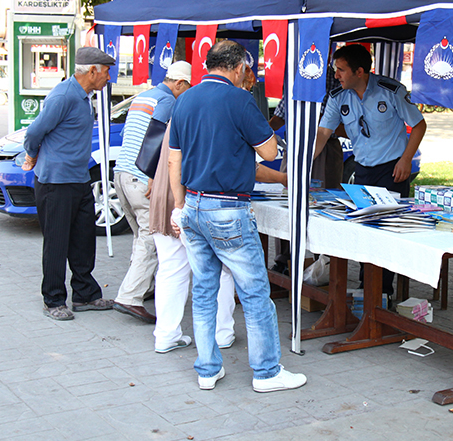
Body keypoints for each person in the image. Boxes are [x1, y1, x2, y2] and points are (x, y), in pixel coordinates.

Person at [169, 40, 307, 393]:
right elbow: (271, 150)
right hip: (228, 208)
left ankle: (207, 369)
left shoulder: (184, 99)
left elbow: (175, 160)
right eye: (248, 69)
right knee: (255, 292)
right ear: (237, 68)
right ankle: (266, 372)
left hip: (194, 206)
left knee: (203, 292)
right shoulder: (240, 99)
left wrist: (179, 205)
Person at [313, 44, 426, 295]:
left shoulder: (391, 91)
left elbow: (419, 125)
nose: (336, 75)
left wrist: (406, 159)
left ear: (360, 71)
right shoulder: (338, 97)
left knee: (387, 233)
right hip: (362, 171)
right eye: (335, 70)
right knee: (365, 231)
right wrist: (306, 161)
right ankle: (367, 289)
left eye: (341, 70)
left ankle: (383, 293)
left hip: (392, 172)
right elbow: (323, 132)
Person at [23, 46, 117, 321]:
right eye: (106, 72)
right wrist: (31, 155)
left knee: (83, 239)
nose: (108, 78)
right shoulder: (64, 95)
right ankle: (53, 299)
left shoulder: (85, 96)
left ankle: (85, 293)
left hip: (78, 178)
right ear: (92, 72)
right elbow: (35, 131)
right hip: (56, 182)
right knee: (57, 241)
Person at [113, 60, 193, 324]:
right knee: (151, 237)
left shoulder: (143, 97)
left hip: (122, 174)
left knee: (142, 236)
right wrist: (152, 176)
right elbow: (158, 136)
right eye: (187, 88)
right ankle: (130, 296)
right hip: (140, 176)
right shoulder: (168, 100)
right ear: (179, 83)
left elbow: (128, 133)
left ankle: (145, 286)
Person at [149, 122, 236, 353]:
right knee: (219, 268)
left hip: (164, 194)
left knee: (170, 269)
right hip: (189, 198)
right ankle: (221, 332)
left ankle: (166, 335)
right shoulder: (207, 113)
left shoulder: (179, 110)